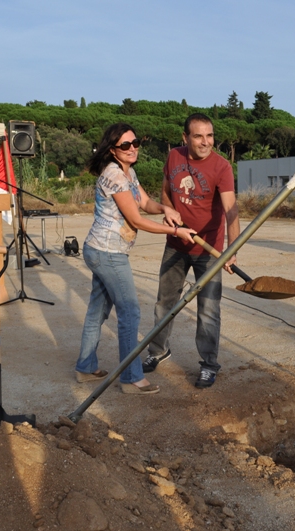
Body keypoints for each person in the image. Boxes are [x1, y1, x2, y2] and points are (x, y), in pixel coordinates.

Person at [75, 123, 196, 395]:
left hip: (101, 249)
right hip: (108, 253)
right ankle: (131, 378)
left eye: (135, 142)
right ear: (112, 150)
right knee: (130, 312)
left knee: (97, 310)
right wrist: (176, 230)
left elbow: (145, 203)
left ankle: (85, 367)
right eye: (125, 146)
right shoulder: (115, 176)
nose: (133, 149)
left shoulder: (129, 172)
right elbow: (136, 219)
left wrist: (165, 208)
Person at [142, 113, 240, 388]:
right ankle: (158, 352)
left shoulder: (221, 167)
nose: (205, 142)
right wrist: (168, 209)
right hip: (175, 243)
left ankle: (209, 364)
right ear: (185, 138)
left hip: (208, 250)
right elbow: (165, 191)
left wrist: (232, 249)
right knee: (164, 302)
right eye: (198, 136)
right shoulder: (174, 157)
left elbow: (231, 211)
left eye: (209, 136)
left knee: (208, 309)